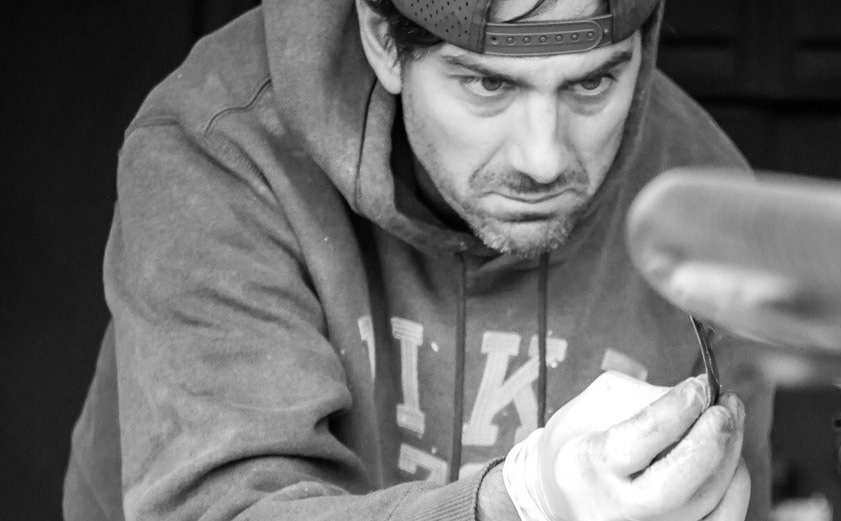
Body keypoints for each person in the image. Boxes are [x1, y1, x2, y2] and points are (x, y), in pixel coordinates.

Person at [62, 0, 772, 520]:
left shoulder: (704, 207)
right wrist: (518, 502)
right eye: (489, 85)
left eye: (591, 84)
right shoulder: (221, 152)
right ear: (384, 40)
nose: (544, 157)